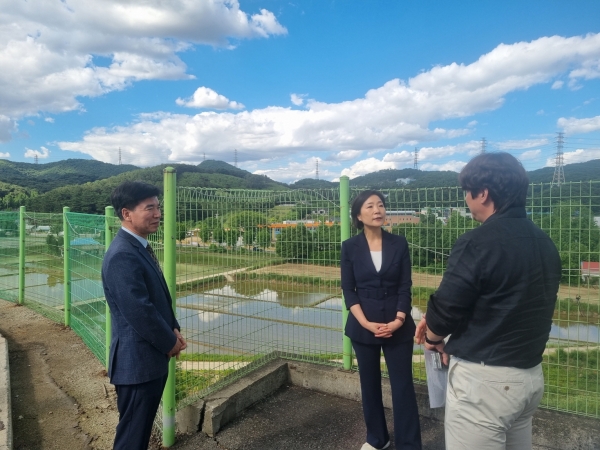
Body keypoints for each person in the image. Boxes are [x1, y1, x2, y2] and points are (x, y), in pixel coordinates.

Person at [415, 153, 562, 449]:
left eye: (466, 192)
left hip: (484, 384)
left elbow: (445, 310)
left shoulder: (477, 242)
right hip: (529, 378)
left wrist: (432, 337)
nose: (466, 199)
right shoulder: (544, 242)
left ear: (482, 193)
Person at [102, 181, 186, 450]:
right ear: (127, 214)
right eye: (149, 208)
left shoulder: (138, 246)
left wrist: (173, 328)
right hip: (137, 365)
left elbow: (156, 298)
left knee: (138, 432)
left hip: (148, 359)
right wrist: (169, 342)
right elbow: (139, 310)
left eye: (158, 207)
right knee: (132, 438)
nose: (158, 214)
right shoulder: (122, 255)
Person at [342, 190, 422, 450]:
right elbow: (349, 290)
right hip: (363, 325)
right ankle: (377, 439)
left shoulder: (399, 243)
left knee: (403, 386)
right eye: (370, 206)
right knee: (369, 385)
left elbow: (405, 286)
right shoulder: (349, 247)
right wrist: (365, 323)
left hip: (397, 325)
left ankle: (409, 444)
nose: (377, 210)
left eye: (380, 205)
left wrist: (399, 320)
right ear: (358, 215)